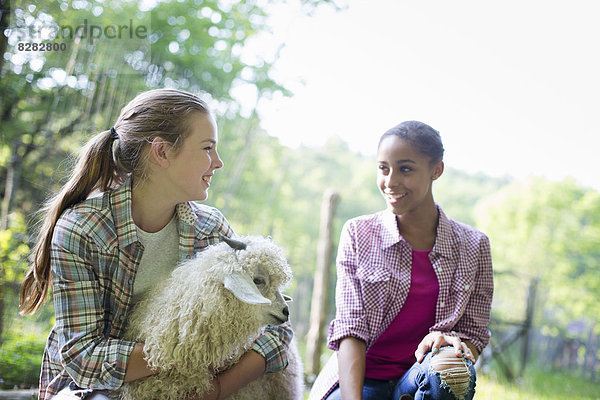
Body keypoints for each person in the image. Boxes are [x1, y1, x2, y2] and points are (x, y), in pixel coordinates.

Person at [19, 88, 292, 400]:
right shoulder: (83, 229)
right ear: (161, 152)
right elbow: (84, 358)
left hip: (192, 389)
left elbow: (275, 329)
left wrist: (216, 389)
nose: (218, 162)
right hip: (95, 392)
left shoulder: (212, 229)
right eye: (207, 148)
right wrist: (187, 352)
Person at [308, 121, 493, 400]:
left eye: (405, 169)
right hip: (362, 380)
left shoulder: (474, 246)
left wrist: (453, 348)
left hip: (422, 379)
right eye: (383, 168)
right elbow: (351, 330)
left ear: (436, 170)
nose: (391, 181)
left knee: (449, 365)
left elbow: (474, 334)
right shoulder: (359, 233)